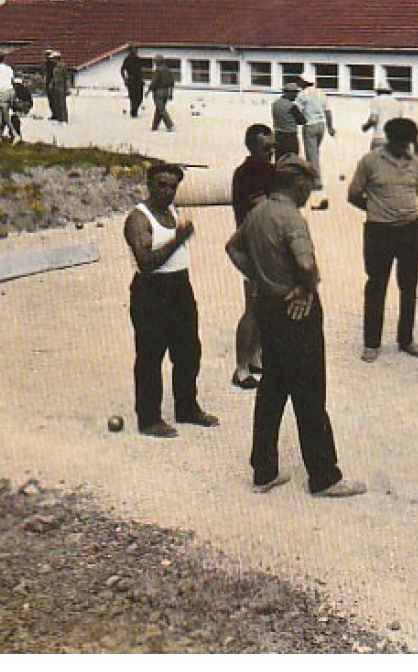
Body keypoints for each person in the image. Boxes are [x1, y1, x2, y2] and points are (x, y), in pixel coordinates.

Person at [225, 156, 366, 498]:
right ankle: (324, 476)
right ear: (297, 185)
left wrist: (259, 277)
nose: (309, 194)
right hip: (295, 311)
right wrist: (305, 289)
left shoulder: (257, 212)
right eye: (308, 187)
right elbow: (306, 264)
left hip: (268, 306)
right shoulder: (291, 218)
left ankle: (264, 470)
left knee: (272, 388)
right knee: (310, 393)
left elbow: (233, 247)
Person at [123, 162, 219, 436]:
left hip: (180, 287)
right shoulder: (138, 219)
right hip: (151, 291)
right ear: (149, 185)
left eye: (172, 187)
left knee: (189, 351)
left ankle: (186, 407)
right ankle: (149, 418)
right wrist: (178, 240)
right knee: (151, 356)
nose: (166, 191)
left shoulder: (172, 212)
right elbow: (146, 263)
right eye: (161, 185)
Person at [347, 117, 418, 362]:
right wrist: (377, 211)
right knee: (376, 286)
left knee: (409, 285)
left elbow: (415, 190)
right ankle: (372, 343)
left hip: (410, 230)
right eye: (402, 142)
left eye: (409, 143)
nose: (406, 147)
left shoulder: (414, 162)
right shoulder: (370, 161)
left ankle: (406, 339)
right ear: (389, 139)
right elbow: (353, 195)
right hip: (379, 232)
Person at [230, 123, 277, 390]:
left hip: (270, 245)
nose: (270, 152)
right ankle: (240, 367)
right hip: (252, 246)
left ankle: (256, 355)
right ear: (251, 147)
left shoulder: (271, 171)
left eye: (272, 147)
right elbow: (263, 208)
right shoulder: (244, 175)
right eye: (265, 147)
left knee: (265, 306)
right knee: (252, 307)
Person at [297, 79, 335, 210]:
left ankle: (316, 182)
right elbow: (328, 112)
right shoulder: (321, 93)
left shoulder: (302, 94)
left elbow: (297, 110)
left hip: (310, 125)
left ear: (303, 82)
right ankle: (315, 177)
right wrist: (330, 127)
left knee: (311, 154)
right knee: (316, 152)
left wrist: (301, 122)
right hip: (321, 125)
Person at [270, 81, 308, 159]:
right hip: (290, 136)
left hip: (278, 135)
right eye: (295, 93)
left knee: (279, 159)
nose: (296, 95)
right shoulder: (291, 106)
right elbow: (302, 121)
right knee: (292, 160)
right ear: (289, 93)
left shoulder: (275, 103)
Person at [0, 52, 18, 141]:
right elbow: (13, 80)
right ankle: (0, 134)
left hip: (2, 92)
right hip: (11, 91)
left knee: (5, 115)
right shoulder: (8, 68)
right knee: (3, 114)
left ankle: (14, 134)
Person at [362, 85, 402, 151]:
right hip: (393, 139)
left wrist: (365, 127)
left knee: (376, 159)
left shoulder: (376, 100)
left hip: (379, 136)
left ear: (378, 92)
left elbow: (373, 119)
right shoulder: (397, 103)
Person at [148, 57, 176, 131]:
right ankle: (155, 126)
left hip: (158, 92)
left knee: (161, 109)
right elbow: (172, 82)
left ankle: (169, 125)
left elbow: (154, 82)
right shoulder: (168, 70)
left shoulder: (158, 71)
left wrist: (149, 90)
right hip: (166, 91)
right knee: (159, 109)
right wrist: (171, 93)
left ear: (157, 62)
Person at [121, 45, 148, 119]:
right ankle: (133, 112)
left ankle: (135, 110)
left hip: (139, 80)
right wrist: (125, 79)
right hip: (131, 80)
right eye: (133, 50)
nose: (135, 52)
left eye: (136, 50)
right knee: (133, 97)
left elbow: (141, 70)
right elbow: (122, 70)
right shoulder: (127, 59)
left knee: (139, 97)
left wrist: (142, 78)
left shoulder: (138, 59)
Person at [43, 49, 69, 123]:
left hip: (61, 87)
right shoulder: (54, 66)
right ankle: (58, 117)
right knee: (56, 102)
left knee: (61, 103)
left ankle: (63, 118)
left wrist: (67, 88)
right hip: (55, 86)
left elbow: (66, 77)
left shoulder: (62, 65)